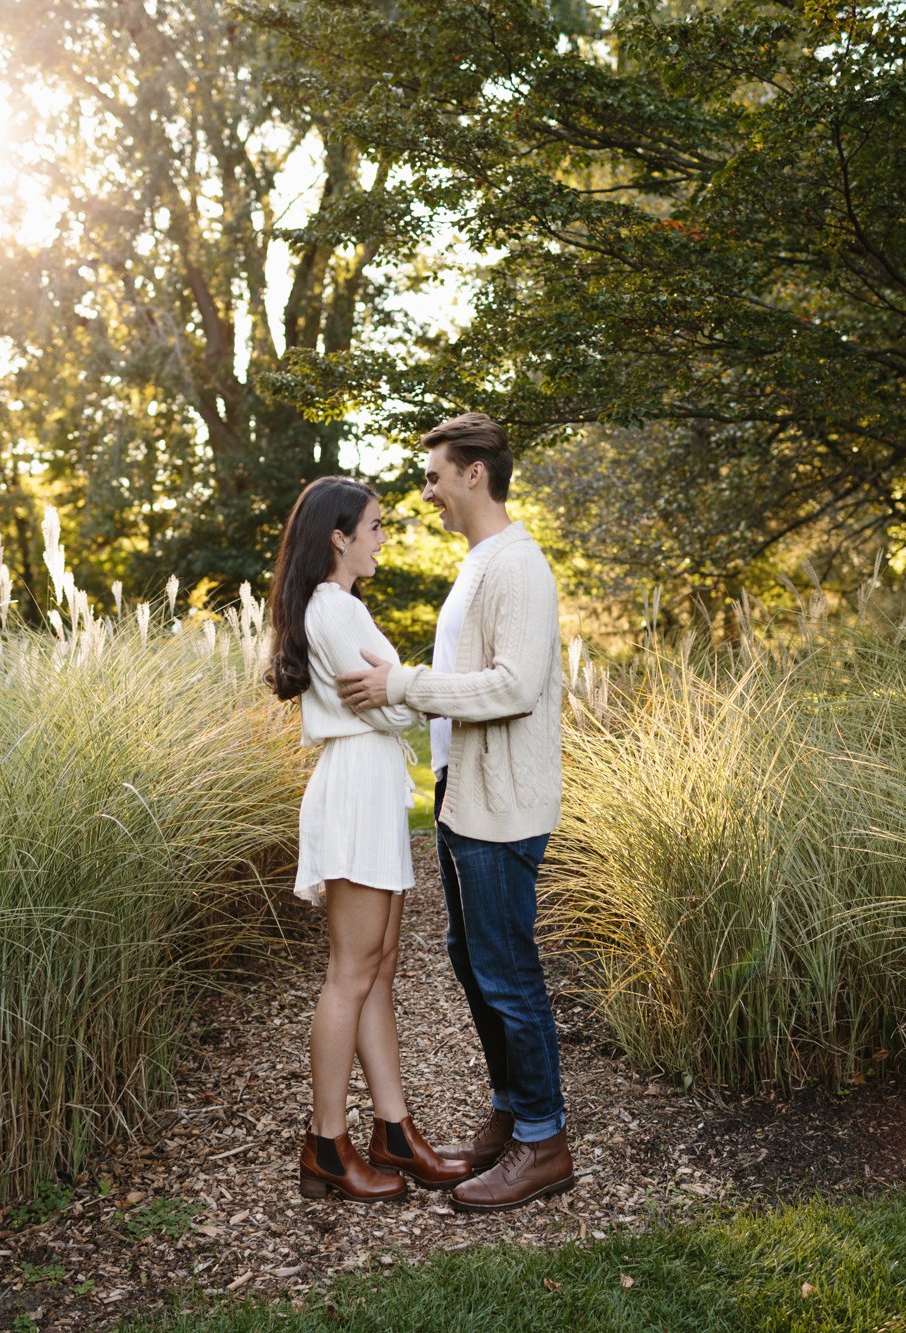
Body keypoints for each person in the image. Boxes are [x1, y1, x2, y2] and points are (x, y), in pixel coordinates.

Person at [337, 413, 572, 1213]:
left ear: (475, 472)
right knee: (475, 963)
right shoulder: (478, 564)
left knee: (508, 971)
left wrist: (403, 683)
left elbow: (512, 686)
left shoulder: (519, 566)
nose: (427, 491)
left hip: (503, 806)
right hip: (462, 796)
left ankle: (546, 1140)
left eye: (436, 474)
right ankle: (513, 1111)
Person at [264, 476, 471, 1202]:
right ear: (339, 536)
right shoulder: (333, 608)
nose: (386, 536)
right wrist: (405, 700)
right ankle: (326, 1141)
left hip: (371, 787)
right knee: (351, 971)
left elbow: (393, 700)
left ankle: (393, 1129)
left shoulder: (344, 606)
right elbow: (387, 709)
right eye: (377, 526)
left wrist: (400, 698)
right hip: (355, 787)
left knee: (378, 967)